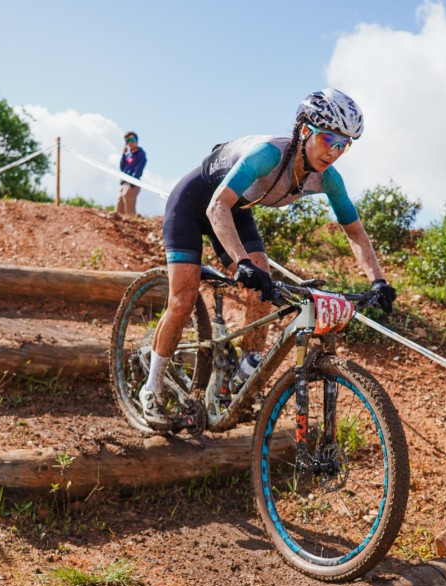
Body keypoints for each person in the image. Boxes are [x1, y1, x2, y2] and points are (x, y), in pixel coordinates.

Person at [139, 89, 396, 427]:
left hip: (236, 210)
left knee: (263, 283)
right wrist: (240, 261)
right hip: (193, 205)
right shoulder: (267, 156)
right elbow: (216, 206)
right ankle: (151, 388)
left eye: (343, 145)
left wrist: (378, 279)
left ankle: (246, 369)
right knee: (183, 298)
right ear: (305, 131)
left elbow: (354, 232)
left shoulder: (328, 179)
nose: (334, 151)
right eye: (329, 139)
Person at [116, 131, 147, 218]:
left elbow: (139, 169)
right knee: (119, 202)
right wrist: (123, 155)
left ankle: (132, 220)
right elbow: (122, 168)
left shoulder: (141, 154)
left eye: (133, 139)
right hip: (124, 182)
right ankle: (118, 224)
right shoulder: (128, 155)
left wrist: (132, 182)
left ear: (137, 140)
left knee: (127, 197)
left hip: (133, 183)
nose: (131, 142)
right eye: (128, 140)